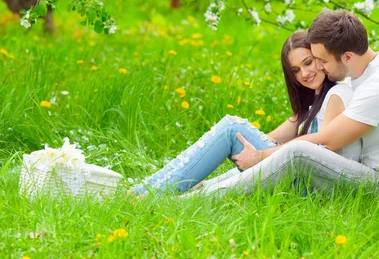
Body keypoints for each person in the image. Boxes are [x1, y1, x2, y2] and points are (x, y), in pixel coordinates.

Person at [194, 9, 379, 197]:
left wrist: (262, 155)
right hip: (377, 177)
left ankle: (199, 200)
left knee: (299, 152)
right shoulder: (365, 72)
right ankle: (205, 189)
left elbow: (328, 140)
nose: (319, 67)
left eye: (322, 61)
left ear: (347, 56)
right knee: (292, 149)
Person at [130, 30, 361, 195]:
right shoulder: (312, 106)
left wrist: (256, 154)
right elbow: (270, 139)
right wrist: (218, 178)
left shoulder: (336, 95)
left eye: (309, 62)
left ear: (321, 57)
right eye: (296, 70)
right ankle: (145, 190)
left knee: (232, 128)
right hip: (302, 179)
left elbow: (325, 151)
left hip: (313, 186)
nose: (304, 73)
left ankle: (151, 192)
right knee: (232, 132)